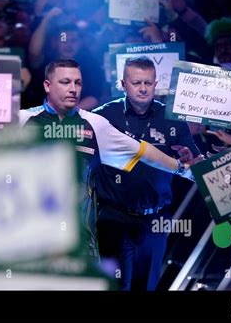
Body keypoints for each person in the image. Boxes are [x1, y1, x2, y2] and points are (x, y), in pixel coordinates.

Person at [19, 59, 195, 257]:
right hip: (28, 237)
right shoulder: (20, 121)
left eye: (78, 83)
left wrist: (184, 169)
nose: (73, 89)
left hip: (81, 241)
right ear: (47, 85)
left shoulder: (96, 125)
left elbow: (142, 152)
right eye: (65, 82)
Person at [91, 57, 201, 291]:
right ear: (123, 83)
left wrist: (190, 158)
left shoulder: (173, 117)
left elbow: (193, 162)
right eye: (136, 82)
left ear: (156, 83)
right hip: (112, 216)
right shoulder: (103, 116)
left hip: (155, 219)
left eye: (148, 83)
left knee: (146, 286)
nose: (143, 88)